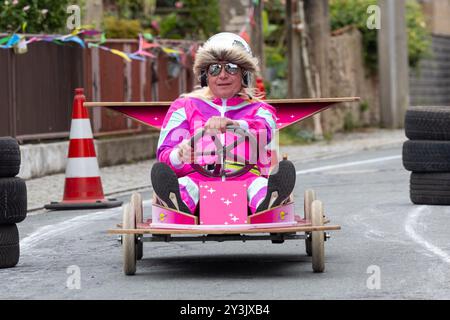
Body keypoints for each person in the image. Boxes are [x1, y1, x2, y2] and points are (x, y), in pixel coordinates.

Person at [151, 32, 295, 215]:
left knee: (259, 186)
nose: (223, 75)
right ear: (205, 75)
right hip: (197, 177)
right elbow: (163, 153)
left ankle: (269, 203)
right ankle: (177, 203)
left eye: (232, 68)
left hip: (247, 177)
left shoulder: (261, 110)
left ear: (244, 73)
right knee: (185, 186)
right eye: (214, 69)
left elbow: (264, 130)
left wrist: (233, 124)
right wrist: (180, 154)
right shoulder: (184, 106)